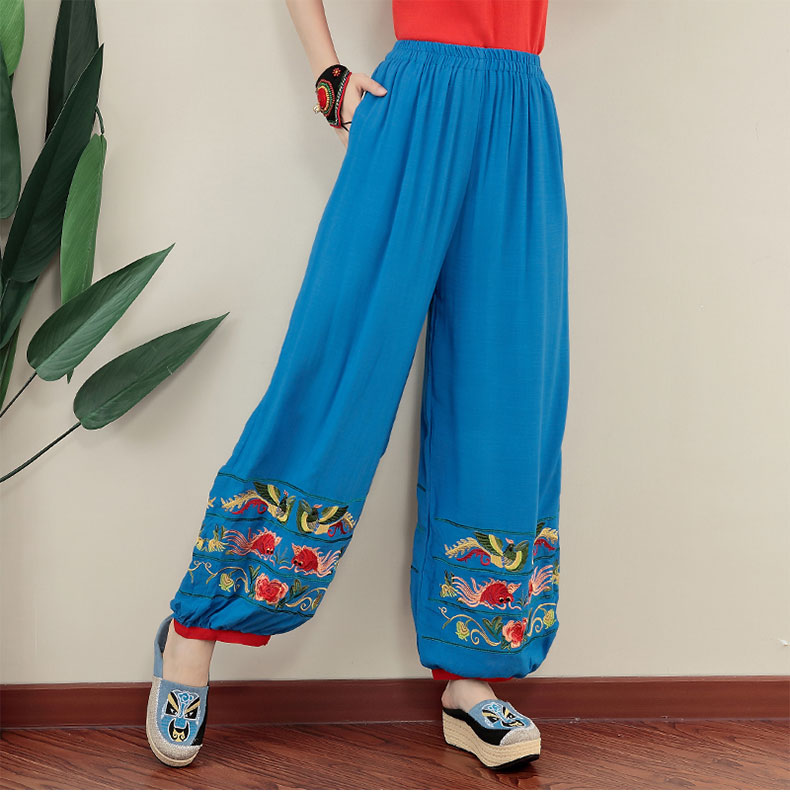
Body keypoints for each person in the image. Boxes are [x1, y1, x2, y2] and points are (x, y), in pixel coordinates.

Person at [146, 0, 568, 772]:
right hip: (415, 104)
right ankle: (193, 633)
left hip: (519, 110)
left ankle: (471, 675)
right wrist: (327, 74)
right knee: (339, 369)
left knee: (507, 391)